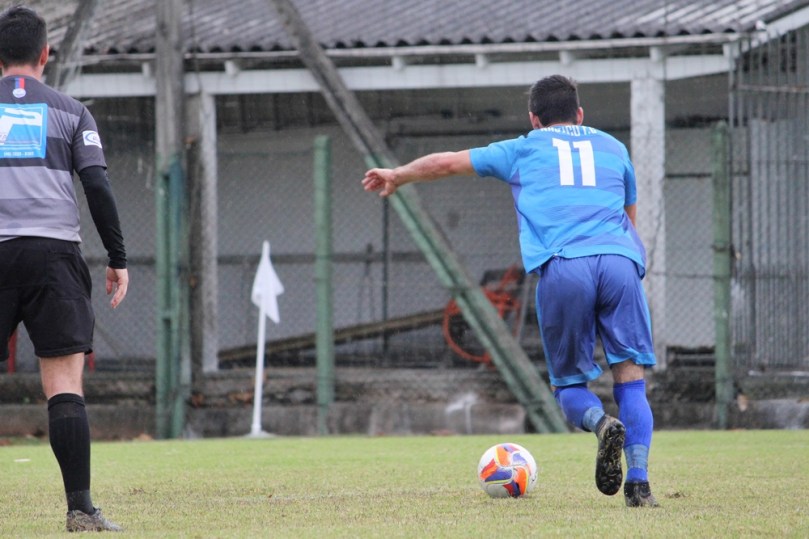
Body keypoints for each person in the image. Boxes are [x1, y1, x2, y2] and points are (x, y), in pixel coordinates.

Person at [362, 74, 658, 507]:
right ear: (580, 113)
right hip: (619, 263)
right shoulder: (615, 148)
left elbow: (446, 163)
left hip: (565, 266)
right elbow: (629, 219)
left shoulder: (522, 148)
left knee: (569, 387)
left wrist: (398, 175)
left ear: (534, 119)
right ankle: (638, 484)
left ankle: (600, 425)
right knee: (631, 380)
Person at [0, 6, 128, 532]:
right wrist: (117, 257)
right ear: (46, 54)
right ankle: (81, 510)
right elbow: (96, 186)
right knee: (64, 385)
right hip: (55, 256)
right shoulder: (73, 112)